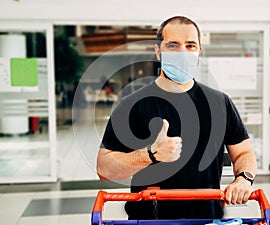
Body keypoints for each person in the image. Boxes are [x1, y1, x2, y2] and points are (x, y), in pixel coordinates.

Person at [97, 15, 257, 220]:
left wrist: (244, 179)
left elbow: (243, 151)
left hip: (207, 218)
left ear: (199, 51)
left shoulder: (220, 103)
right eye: (173, 45)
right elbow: (104, 169)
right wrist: (151, 154)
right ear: (158, 52)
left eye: (190, 45)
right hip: (151, 220)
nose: (183, 52)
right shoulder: (132, 105)